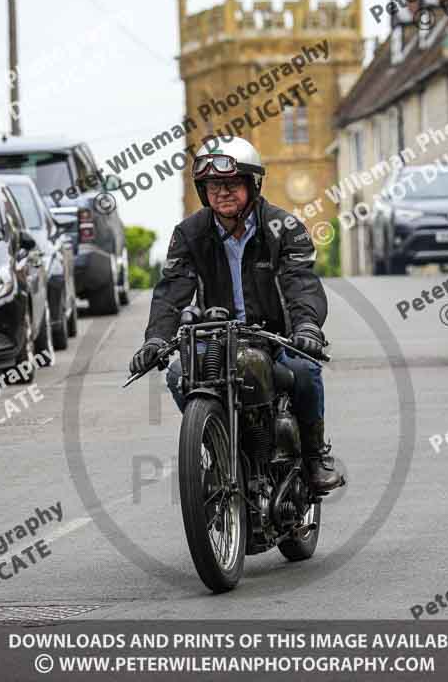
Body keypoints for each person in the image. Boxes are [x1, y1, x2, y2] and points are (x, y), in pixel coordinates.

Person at [130, 136, 342, 494]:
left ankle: (312, 459)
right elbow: (172, 290)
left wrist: (306, 325)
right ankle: (216, 439)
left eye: (231, 183)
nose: (222, 192)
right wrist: (155, 338)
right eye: (213, 186)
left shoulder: (283, 228)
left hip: (277, 337)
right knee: (180, 373)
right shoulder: (189, 234)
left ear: (252, 184)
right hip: (216, 338)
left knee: (305, 370)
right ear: (203, 190)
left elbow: (300, 282)